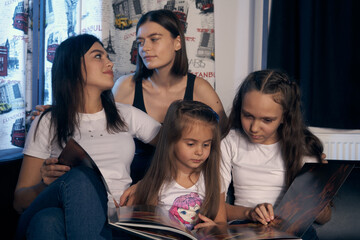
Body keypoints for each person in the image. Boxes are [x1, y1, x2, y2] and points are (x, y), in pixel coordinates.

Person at [31, 9, 226, 186]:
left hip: (178, 180)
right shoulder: (126, 86)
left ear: (177, 42)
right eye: (140, 42)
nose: (145, 48)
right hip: (133, 182)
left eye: (154, 39)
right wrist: (61, 109)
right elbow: (94, 114)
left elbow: (222, 139)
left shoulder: (199, 88)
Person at [13, 34, 161, 239]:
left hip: (113, 218)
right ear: (72, 66)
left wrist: (146, 184)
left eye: (107, 56)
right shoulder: (48, 120)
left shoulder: (126, 114)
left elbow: (178, 146)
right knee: (80, 177)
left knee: (47, 221)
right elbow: (20, 201)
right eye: (98, 56)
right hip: (64, 203)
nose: (109, 62)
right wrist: (44, 184)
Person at [220, 70, 331, 239]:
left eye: (267, 120)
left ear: (285, 117)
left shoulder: (302, 148)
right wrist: (250, 213)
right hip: (245, 227)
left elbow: (324, 218)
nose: (254, 128)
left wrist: (318, 186)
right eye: (248, 115)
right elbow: (218, 209)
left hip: (291, 229)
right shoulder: (230, 142)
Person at [131, 100, 227, 230]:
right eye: (191, 144)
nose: (199, 152)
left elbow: (221, 223)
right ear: (172, 141)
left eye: (206, 144)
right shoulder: (157, 182)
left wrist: (214, 228)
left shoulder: (214, 180)